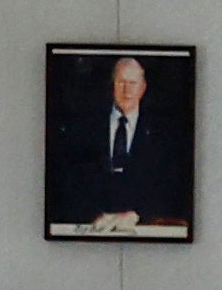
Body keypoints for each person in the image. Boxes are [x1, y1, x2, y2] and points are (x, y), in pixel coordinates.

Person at [54, 52, 188, 231]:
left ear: (143, 88)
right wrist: (93, 216)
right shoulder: (85, 128)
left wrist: (138, 215)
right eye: (121, 82)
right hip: (92, 227)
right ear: (112, 85)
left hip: (145, 229)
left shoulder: (163, 133)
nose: (127, 90)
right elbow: (70, 179)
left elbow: (170, 186)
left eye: (132, 84)